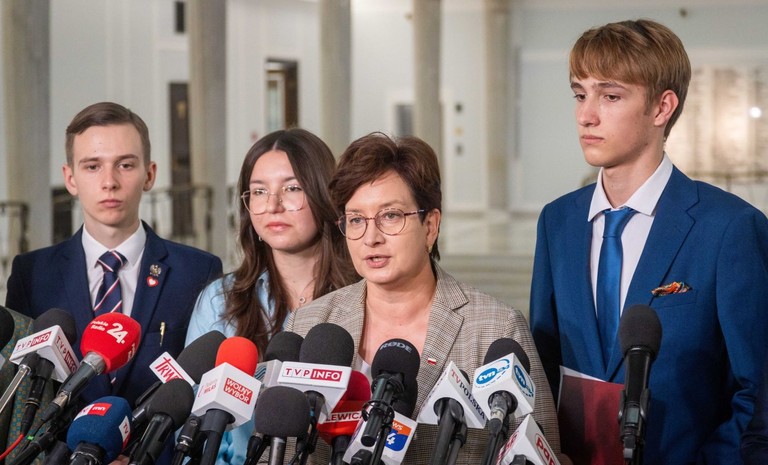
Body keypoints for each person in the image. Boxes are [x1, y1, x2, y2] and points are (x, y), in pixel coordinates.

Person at [529, 19, 768, 464]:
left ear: (662, 108)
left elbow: (758, 398)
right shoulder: (557, 222)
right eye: (580, 94)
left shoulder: (730, 229)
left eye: (610, 96)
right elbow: (544, 368)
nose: (586, 115)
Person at [285, 132, 564, 464]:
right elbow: (280, 448)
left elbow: (540, 451)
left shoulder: (496, 328)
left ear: (430, 225)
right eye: (356, 220)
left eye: (390, 216)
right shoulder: (310, 324)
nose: (371, 237)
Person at [5, 101, 223, 410]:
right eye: (92, 166)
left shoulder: (198, 271)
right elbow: (19, 386)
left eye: (125, 165)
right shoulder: (31, 275)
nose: (109, 182)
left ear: (149, 174)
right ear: (70, 178)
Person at [184, 128, 358, 465]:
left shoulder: (363, 296)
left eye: (292, 188)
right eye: (259, 191)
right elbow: (194, 428)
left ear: (324, 194)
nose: (273, 206)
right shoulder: (220, 300)